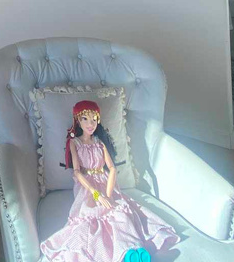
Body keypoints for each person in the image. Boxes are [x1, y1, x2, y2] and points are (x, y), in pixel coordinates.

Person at [40, 100, 179, 261]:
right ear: (78, 120)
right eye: (85, 119)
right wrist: (96, 194)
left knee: (120, 212)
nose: (90, 123)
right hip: (87, 186)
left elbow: (112, 168)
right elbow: (77, 172)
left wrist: (108, 193)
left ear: (98, 120)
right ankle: (103, 252)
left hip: (106, 183)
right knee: (92, 217)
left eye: (94, 119)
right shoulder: (75, 143)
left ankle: (131, 249)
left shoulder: (100, 143)